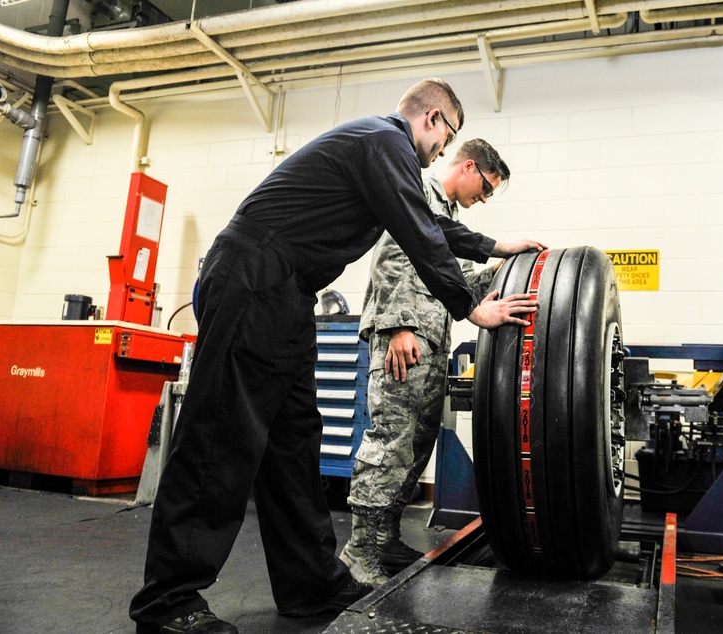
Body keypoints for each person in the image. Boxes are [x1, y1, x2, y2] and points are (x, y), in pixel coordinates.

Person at [129, 78, 544, 634]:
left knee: (294, 439)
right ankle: (167, 603)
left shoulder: (382, 153)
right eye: (446, 138)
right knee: (220, 436)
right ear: (434, 118)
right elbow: (419, 231)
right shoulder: (385, 141)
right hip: (252, 276)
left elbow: (431, 224)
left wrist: (494, 246)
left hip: (286, 292)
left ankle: (310, 585)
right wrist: (470, 306)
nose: (443, 151)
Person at [341, 139, 522, 584]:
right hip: (405, 341)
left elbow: (450, 278)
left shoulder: (450, 220)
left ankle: (385, 539)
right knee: (390, 443)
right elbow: (389, 256)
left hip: (432, 346)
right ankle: (358, 550)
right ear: (469, 166)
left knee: (417, 445)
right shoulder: (417, 190)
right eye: (486, 187)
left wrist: (496, 272)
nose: (485, 198)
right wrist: (399, 326)